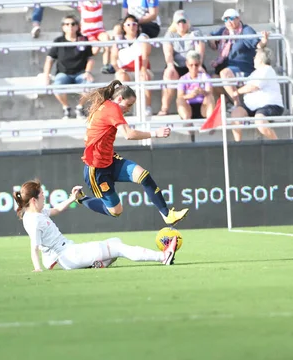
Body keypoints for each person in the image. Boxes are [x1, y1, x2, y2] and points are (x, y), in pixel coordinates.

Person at [78, 79, 190, 225]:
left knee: (144, 176)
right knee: (115, 211)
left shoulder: (106, 107)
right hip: (96, 169)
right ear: (119, 99)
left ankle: (167, 214)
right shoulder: (112, 108)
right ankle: (81, 198)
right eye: (129, 104)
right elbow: (129, 134)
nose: (129, 109)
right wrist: (155, 133)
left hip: (109, 160)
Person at [13, 180, 179, 271]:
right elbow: (34, 247)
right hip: (69, 255)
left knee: (116, 241)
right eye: (42, 195)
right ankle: (163, 257)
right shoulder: (34, 220)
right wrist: (37, 269)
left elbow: (56, 209)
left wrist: (73, 198)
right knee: (118, 247)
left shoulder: (36, 212)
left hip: (69, 252)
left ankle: (97, 264)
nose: (45, 196)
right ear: (33, 200)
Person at [209, 8, 269, 106]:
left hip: (244, 69)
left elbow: (258, 45)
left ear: (238, 19)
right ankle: (228, 103)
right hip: (227, 67)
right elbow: (211, 35)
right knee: (213, 78)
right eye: (225, 19)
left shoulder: (246, 30)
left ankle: (237, 104)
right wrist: (211, 40)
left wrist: (264, 41)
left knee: (225, 73)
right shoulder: (224, 31)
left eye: (231, 18)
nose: (228, 22)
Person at [43, 15, 94, 120]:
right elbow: (50, 59)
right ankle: (66, 107)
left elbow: (90, 59)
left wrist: (88, 72)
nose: (70, 26)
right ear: (63, 27)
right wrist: (46, 75)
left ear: (77, 26)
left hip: (80, 73)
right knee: (56, 86)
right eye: (67, 24)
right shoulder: (58, 41)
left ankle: (79, 108)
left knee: (89, 85)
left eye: (73, 24)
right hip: (63, 73)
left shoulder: (84, 40)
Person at [230, 47, 284, 141]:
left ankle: (277, 144)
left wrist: (237, 92)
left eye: (255, 57)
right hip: (251, 106)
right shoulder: (255, 73)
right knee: (236, 114)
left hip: (269, 105)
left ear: (260, 59)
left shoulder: (267, 70)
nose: (253, 59)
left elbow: (254, 86)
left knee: (260, 121)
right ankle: (238, 145)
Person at [159, 10, 205, 116]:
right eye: (178, 22)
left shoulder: (195, 32)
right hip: (177, 65)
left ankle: (204, 110)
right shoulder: (170, 34)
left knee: (202, 74)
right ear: (175, 24)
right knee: (168, 75)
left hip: (193, 63)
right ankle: (164, 108)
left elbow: (200, 51)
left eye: (183, 21)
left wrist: (200, 65)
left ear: (188, 22)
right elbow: (168, 53)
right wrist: (170, 66)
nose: (181, 24)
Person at [111, 15, 153, 116]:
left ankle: (146, 107)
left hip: (141, 69)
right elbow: (113, 59)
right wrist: (118, 69)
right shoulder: (118, 40)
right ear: (124, 27)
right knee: (121, 77)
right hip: (126, 71)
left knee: (144, 77)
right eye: (128, 24)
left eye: (134, 24)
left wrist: (143, 69)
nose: (131, 26)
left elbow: (145, 55)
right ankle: (122, 109)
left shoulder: (142, 38)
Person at [176, 51, 215, 123]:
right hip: (189, 107)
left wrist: (202, 92)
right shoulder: (183, 79)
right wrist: (191, 95)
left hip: (203, 107)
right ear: (187, 64)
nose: (194, 67)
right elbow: (180, 96)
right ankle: (187, 121)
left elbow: (210, 92)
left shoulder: (205, 77)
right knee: (179, 100)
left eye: (196, 65)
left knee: (210, 97)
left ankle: (210, 122)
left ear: (199, 64)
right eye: (191, 65)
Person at [77, 1, 112, 74]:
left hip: (99, 30)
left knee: (107, 41)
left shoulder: (99, 2)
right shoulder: (82, 3)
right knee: (95, 49)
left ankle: (106, 65)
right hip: (88, 32)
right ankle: (82, 63)